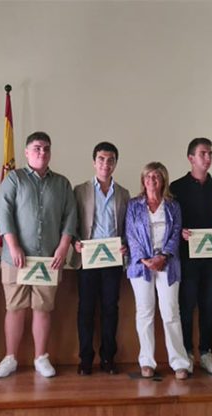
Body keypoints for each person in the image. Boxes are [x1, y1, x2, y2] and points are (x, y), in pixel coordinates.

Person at [0, 132, 77, 378]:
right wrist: (14, 245)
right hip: (15, 258)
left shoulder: (62, 184)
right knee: (15, 308)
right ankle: (10, 358)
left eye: (46, 149)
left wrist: (63, 248)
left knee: (42, 308)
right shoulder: (14, 179)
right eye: (37, 148)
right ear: (27, 152)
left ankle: (41, 357)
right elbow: (4, 214)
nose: (42, 152)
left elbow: (70, 218)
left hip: (48, 259)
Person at [125, 162, 191, 380]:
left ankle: (179, 362)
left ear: (163, 180)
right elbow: (131, 236)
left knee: (171, 312)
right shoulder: (134, 205)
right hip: (141, 265)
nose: (152, 181)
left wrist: (162, 257)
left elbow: (176, 234)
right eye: (148, 177)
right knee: (144, 313)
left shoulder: (173, 206)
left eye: (156, 177)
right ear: (143, 181)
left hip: (168, 264)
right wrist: (145, 259)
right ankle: (146, 362)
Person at [72, 142, 130, 375]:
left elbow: (128, 227)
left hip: (112, 261)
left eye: (111, 160)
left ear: (116, 163)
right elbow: (71, 222)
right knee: (85, 309)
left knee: (110, 309)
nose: (106, 164)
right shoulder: (80, 190)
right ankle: (86, 358)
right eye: (101, 159)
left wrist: (126, 245)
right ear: (94, 161)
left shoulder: (124, 194)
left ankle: (108, 358)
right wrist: (75, 241)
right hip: (87, 259)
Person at [169, 138, 212, 375]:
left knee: (208, 306)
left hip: (211, 258)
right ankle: (187, 352)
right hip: (186, 258)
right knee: (187, 306)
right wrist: (180, 231)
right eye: (203, 153)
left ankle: (206, 352)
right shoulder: (176, 188)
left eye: (210, 153)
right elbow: (171, 223)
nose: (208, 158)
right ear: (191, 158)